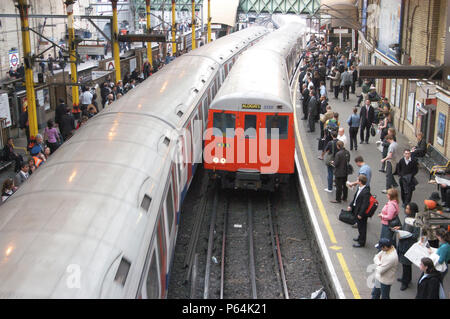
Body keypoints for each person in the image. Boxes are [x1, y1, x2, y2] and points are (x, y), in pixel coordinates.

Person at [394, 202, 420, 291]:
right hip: (402, 243)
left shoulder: (416, 220)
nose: (406, 210)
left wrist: (406, 235)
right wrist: (400, 229)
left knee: (406, 264)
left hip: (409, 245)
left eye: (408, 209)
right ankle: (406, 278)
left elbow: (416, 235)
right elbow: (404, 227)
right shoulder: (407, 218)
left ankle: (405, 282)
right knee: (404, 264)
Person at [348, 175, 371, 248]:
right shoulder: (360, 188)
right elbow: (355, 198)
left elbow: (365, 204)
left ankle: (361, 242)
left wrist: (360, 214)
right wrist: (351, 205)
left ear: (360, 182)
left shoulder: (366, 192)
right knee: (360, 226)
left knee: (362, 227)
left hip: (361, 213)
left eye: (357, 180)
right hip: (356, 209)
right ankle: (359, 237)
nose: (356, 181)